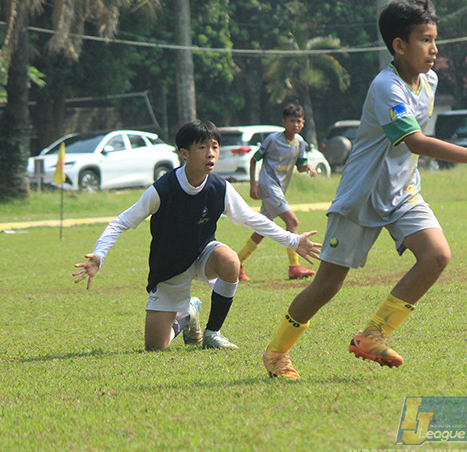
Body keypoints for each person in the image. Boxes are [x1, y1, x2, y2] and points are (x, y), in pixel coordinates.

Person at [261, 0, 467, 380]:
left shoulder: (429, 80)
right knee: (327, 285)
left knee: (436, 256)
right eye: (425, 40)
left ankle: (373, 334)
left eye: (435, 39)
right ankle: (276, 352)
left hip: (403, 193)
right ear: (399, 46)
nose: (434, 49)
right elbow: (414, 142)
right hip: (361, 196)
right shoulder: (387, 87)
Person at [72, 120, 321, 351]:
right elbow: (121, 222)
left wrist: (294, 240)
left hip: (204, 254)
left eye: (214, 146)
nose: (211, 153)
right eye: (202, 147)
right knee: (155, 347)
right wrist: (99, 255)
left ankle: (212, 333)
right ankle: (189, 312)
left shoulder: (220, 187)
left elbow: (252, 218)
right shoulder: (163, 189)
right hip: (169, 266)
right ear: (185, 153)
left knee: (231, 261)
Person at [236, 104, 318, 282]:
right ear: (284, 122)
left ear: (303, 123)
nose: (295, 124)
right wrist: (253, 185)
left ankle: (236, 263)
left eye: (298, 121)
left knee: (262, 229)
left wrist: (308, 167)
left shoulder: (299, 143)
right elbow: (253, 159)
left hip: (279, 189)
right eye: (291, 121)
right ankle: (294, 267)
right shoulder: (272, 140)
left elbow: (300, 165)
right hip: (268, 186)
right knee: (292, 221)